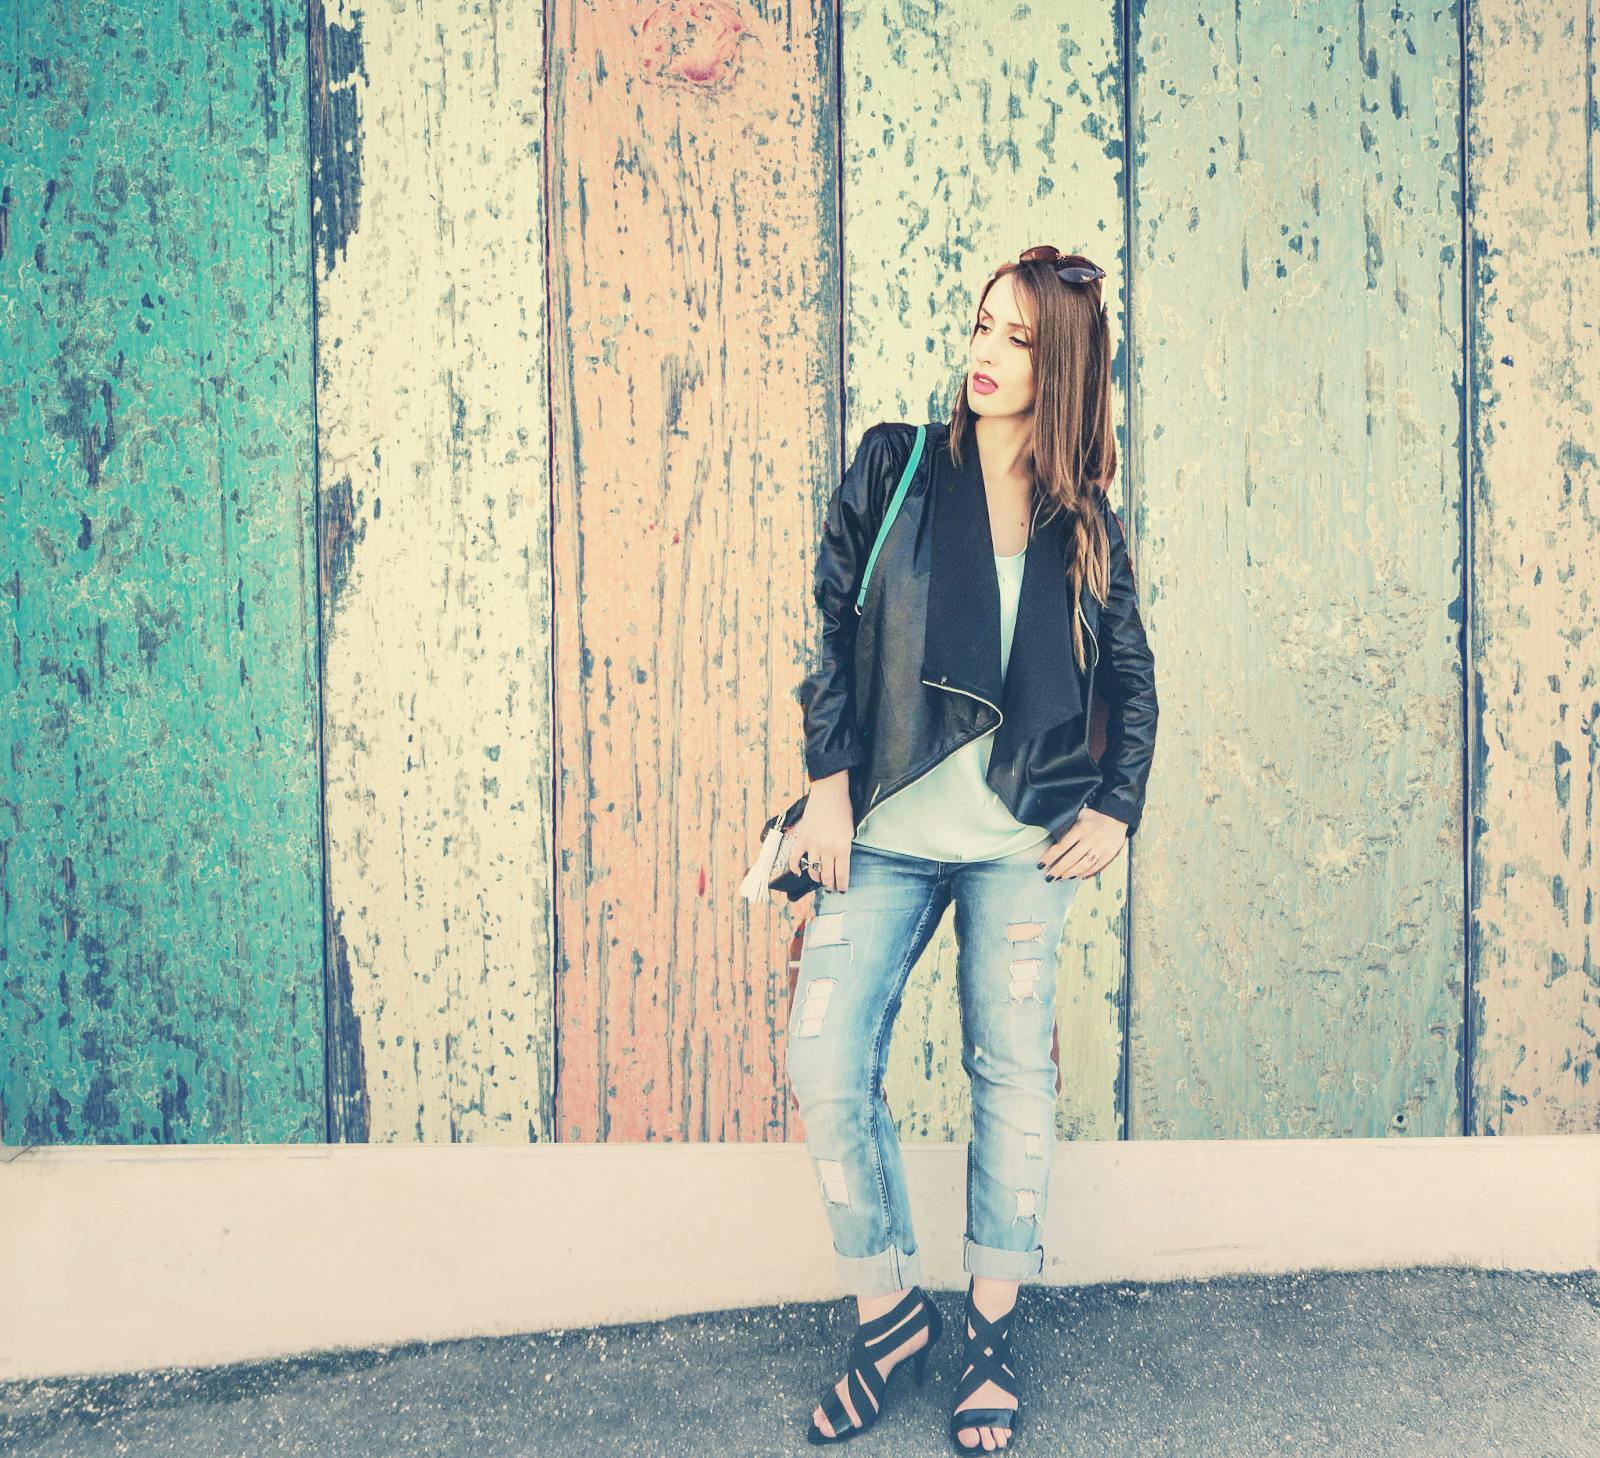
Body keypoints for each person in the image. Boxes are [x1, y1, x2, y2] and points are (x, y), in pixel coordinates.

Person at [784, 244, 1159, 1451]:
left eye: (1017, 341)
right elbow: (832, 625)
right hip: (884, 830)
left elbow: (1136, 676)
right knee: (826, 1063)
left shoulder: (1082, 519)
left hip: (1014, 845)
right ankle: (888, 1311)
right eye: (983, 327)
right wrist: (828, 784)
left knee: (1012, 1076)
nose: (985, 356)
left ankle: (989, 1332)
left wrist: (1116, 806)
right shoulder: (897, 464)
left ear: (1064, 372)